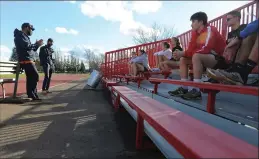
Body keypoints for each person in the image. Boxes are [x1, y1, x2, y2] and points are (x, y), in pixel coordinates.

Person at [168, 12, 226, 100]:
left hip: (219, 60)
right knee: (183, 59)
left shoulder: (210, 29)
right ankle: (184, 88)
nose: (191, 25)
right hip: (206, 58)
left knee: (196, 56)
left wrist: (183, 53)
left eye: (193, 21)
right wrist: (182, 54)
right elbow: (191, 49)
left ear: (201, 22)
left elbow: (205, 49)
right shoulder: (195, 33)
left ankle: (196, 90)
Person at [206, 11, 257, 83]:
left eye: (228, 19)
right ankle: (219, 76)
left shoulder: (244, 27)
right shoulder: (230, 33)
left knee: (238, 43)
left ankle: (234, 72)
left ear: (237, 18)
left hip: (241, 53)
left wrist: (234, 41)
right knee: (220, 56)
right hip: (232, 56)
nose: (226, 21)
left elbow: (246, 36)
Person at [14, 23, 43, 100]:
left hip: (29, 59)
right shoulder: (20, 35)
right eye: (31, 29)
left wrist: (37, 45)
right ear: (26, 28)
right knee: (35, 76)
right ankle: (31, 94)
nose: (31, 31)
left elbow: (31, 49)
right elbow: (27, 47)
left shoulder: (25, 37)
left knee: (31, 77)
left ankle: (32, 95)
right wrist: (36, 44)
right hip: (25, 59)